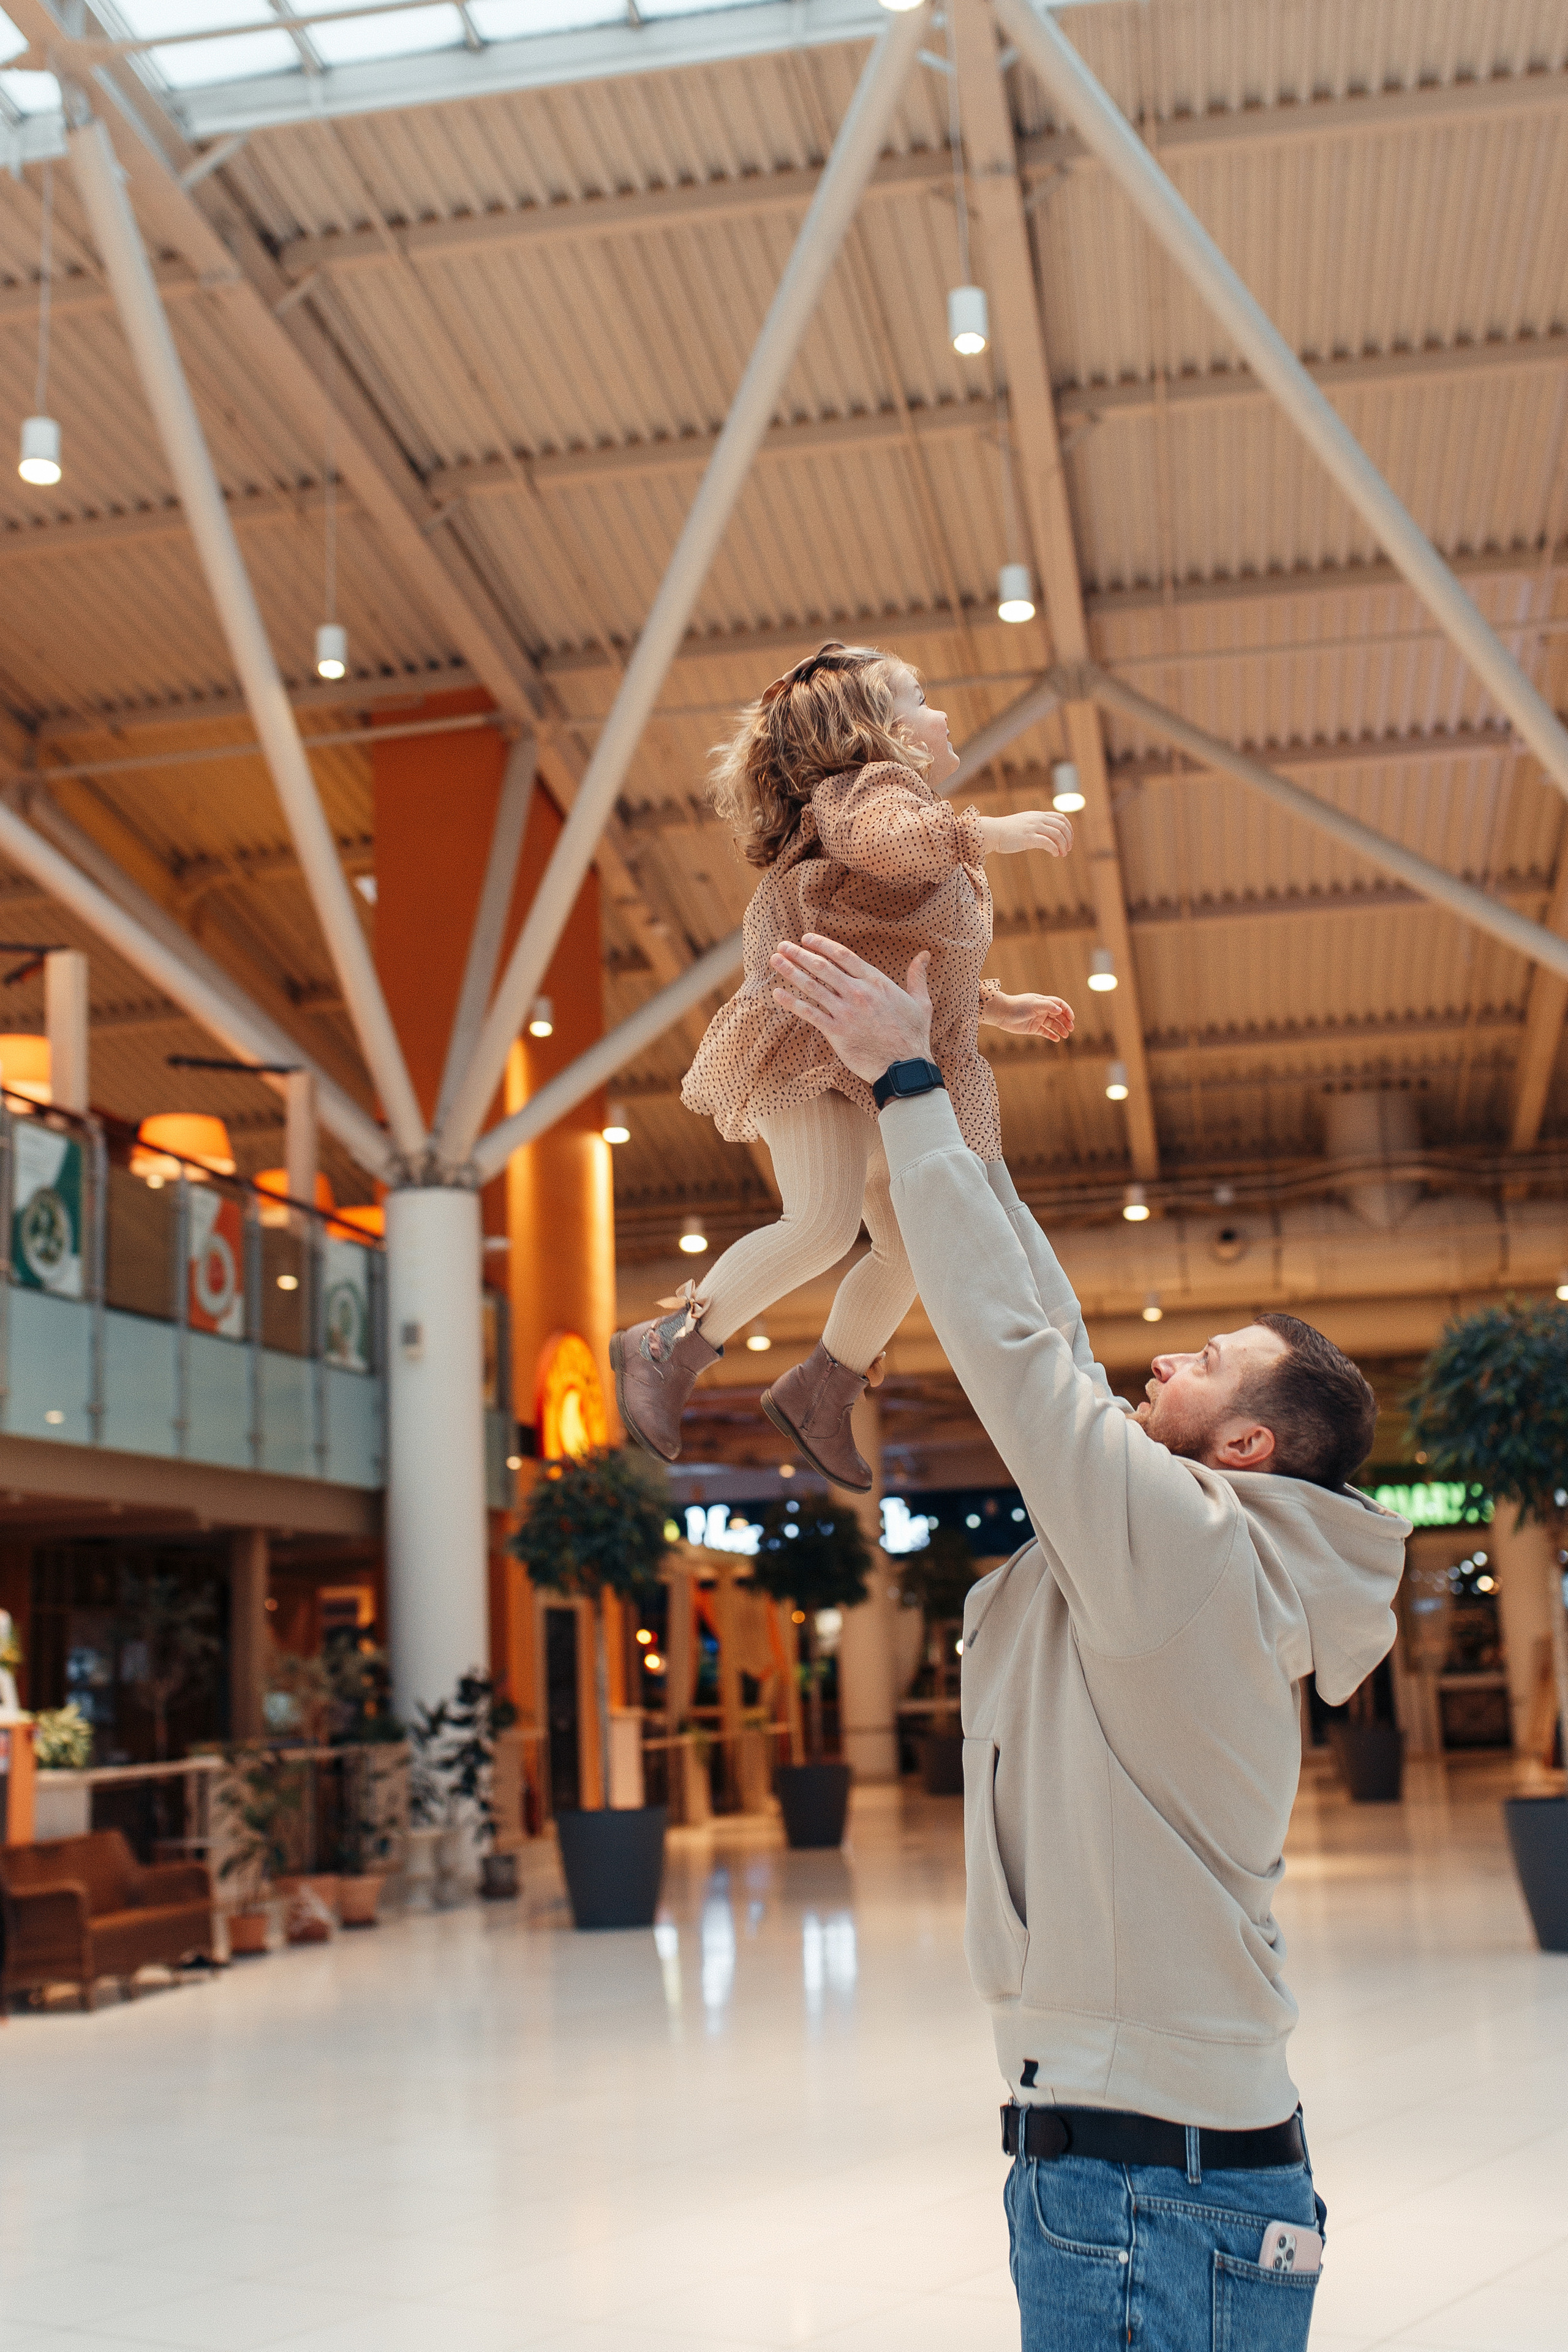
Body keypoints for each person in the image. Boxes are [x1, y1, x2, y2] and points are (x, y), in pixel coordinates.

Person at [766, 929, 1409, 2352]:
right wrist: (940, 1084)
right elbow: (1043, 1326)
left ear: (1243, 1443)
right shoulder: (1204, 1556)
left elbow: (1013, 1355)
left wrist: (908, 1079)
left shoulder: (1183, 1550)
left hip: (1136, 2185)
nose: (1164, 1357)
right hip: (1173, 2161)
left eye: (1207, 1365)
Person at [611, 642, 1075, 1490]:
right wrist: (988, 830)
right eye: (923, 698)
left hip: (861, 1048)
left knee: (909, 1248)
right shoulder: (869, 797)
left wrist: (996, 1007)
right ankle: (667, 1345)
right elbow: (892, 844)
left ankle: (824, 1385)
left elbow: (906, 957)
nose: (940, 713)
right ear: (881, 732)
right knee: (823, 1223)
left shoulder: (902, 822)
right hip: (809, 1042)